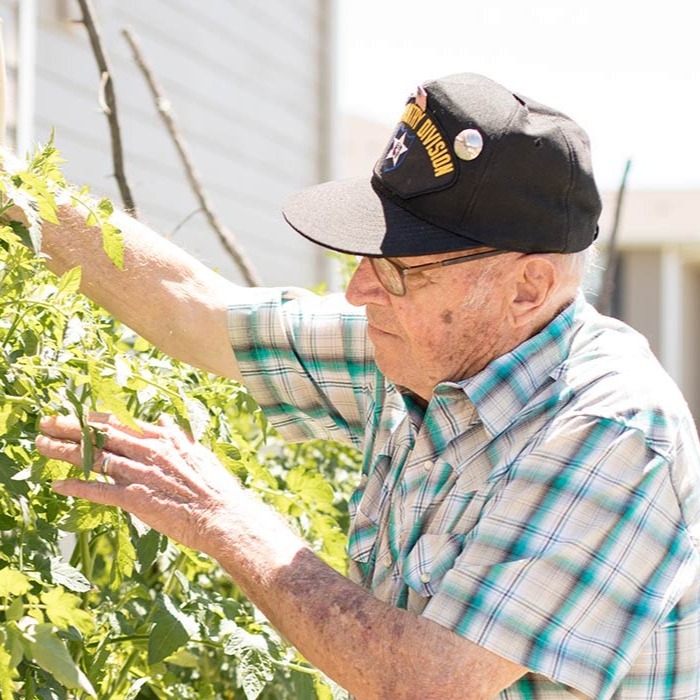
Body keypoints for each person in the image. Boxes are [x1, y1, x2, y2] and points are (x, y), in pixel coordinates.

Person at [25, 73, 699, 698]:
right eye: (369, 258)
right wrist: (19, 196)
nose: (358, 290)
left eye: (402, 269)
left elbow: (427, 682)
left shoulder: (610, 431)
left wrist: (229, 521)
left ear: (527, 289)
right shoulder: (417, 345)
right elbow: (194, 310)